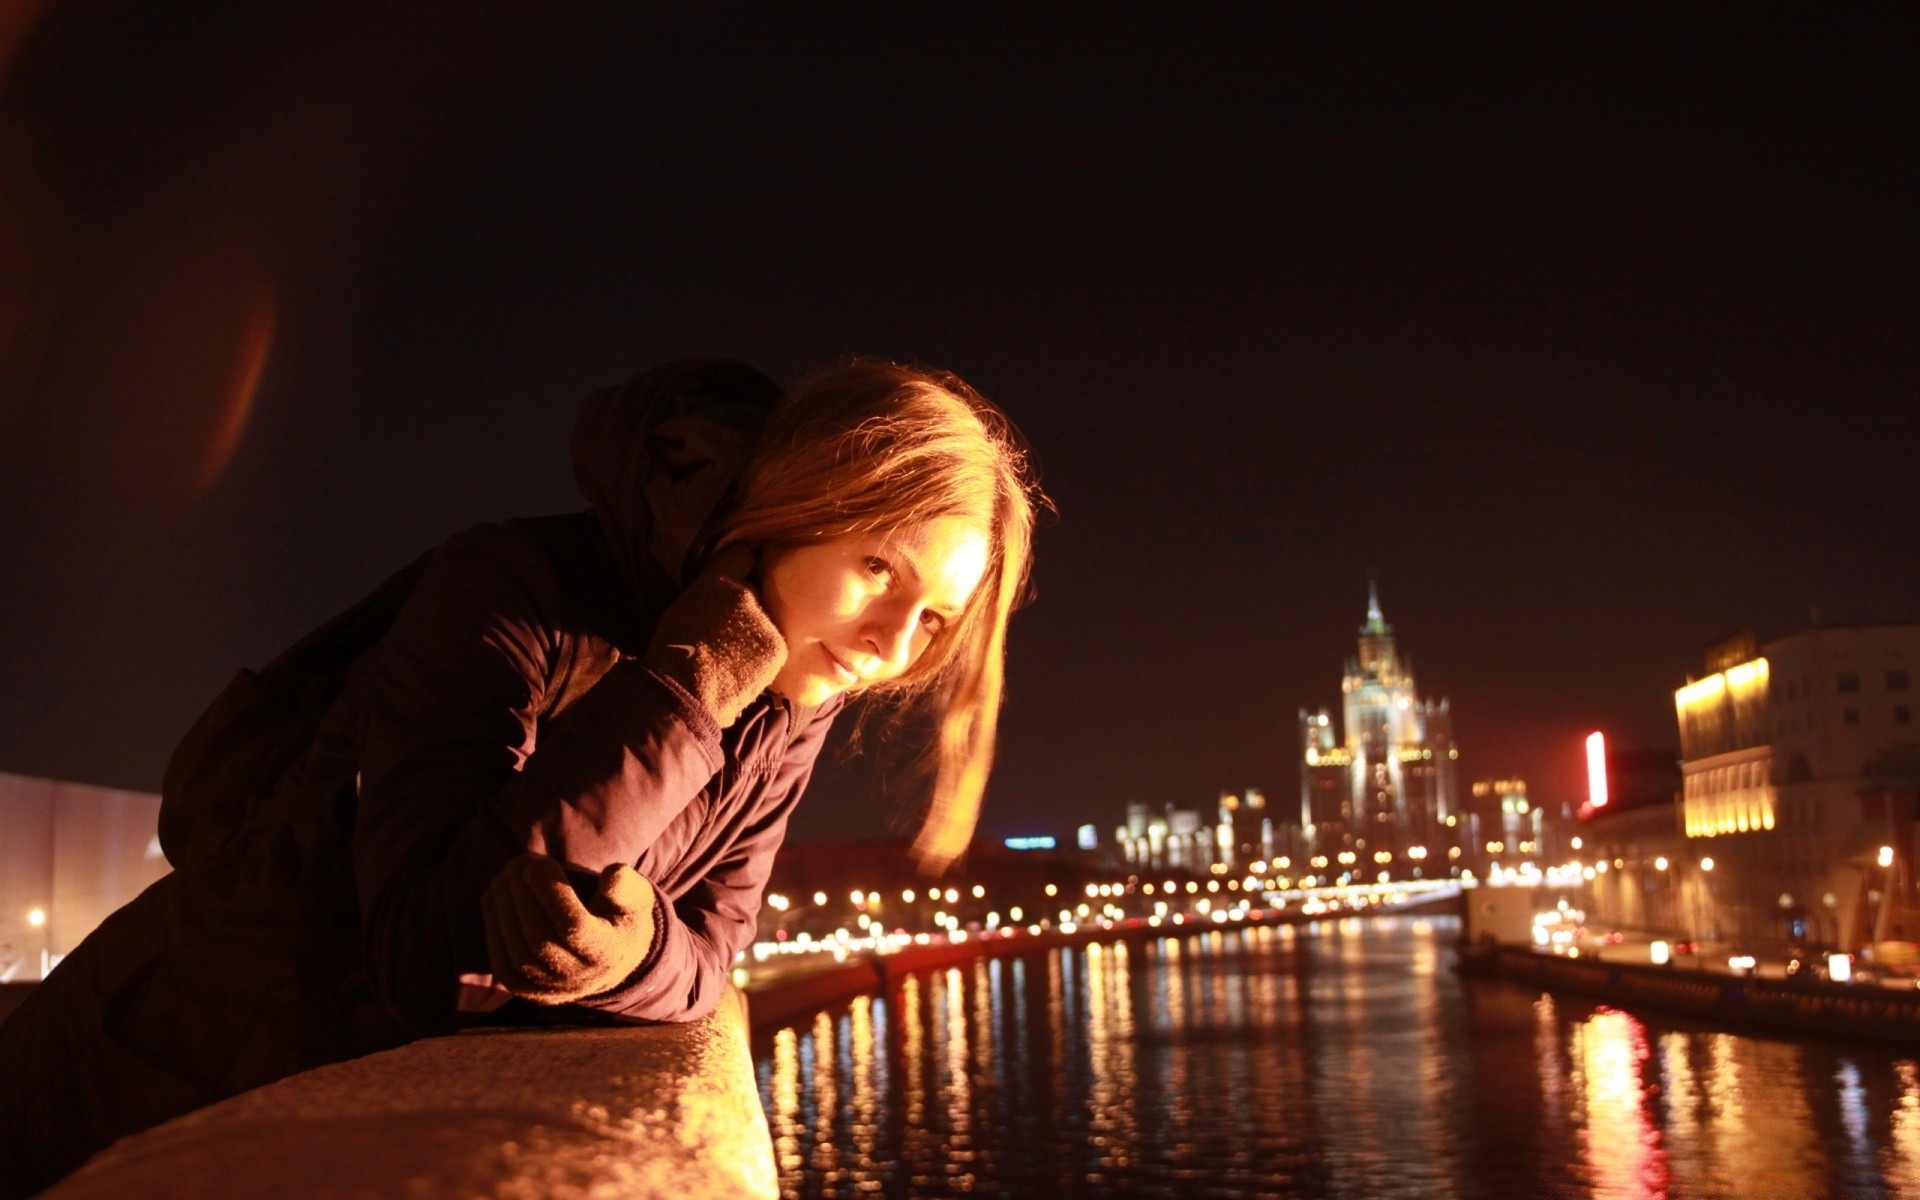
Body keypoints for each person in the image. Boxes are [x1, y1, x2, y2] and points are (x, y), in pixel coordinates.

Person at [0, 357, 1041, 1197]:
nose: (893, 643)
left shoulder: (793, 701)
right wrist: (689, 686)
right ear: (794, 502)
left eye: (936, 619)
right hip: (126, 1083)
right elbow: (425, 941)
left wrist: (630, 954)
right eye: (877, 570)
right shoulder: (512, 587)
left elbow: (716, 950)